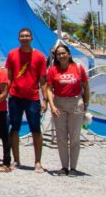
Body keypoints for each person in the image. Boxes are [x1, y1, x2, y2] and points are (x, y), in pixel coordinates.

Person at [5, 28, 48, 172]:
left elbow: (43, 81)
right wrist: (5, 94)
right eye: (22, 36)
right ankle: (16, 160)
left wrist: (45, 100)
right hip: (15, 97)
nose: (25, 38)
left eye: (27, 36)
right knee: (14, 128)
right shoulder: (12, 54)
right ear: (18, 38)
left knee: (36, 129)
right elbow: (9, 76)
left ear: (32, 38)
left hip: (32, 98)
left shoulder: (40, 56)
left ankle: (38, 161)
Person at [45, 44, 89, 176]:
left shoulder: (78, 68)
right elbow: (48, 88)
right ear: (56, 57)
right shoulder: (53, 70)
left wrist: (85, 104)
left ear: (69, 54)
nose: (61, 56)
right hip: (59, 103)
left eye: (63, 53)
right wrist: (51, 105)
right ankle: (64, 167)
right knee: (61, 137)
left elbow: (86, 87)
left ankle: (73, 168)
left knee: (75, 137)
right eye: (59, 54)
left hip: (76, 103)